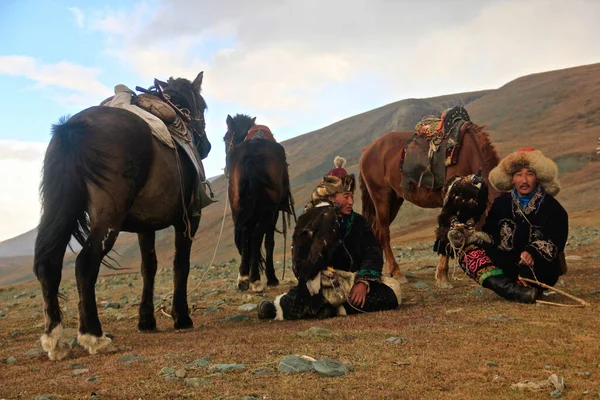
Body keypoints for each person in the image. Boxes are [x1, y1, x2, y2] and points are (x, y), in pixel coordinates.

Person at [258, 174, 401, 320]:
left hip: (353, 280)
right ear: (331, 198)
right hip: (325, 283)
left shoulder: (359, 222)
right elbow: (302, 263)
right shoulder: (311, 220)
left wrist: (363, 281)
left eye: (352, 197)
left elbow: (373, 251)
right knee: (292, 306)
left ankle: (333, 308)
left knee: (392, 294)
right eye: (346, 197)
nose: (351, 202)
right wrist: (323, 277)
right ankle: (277, 307)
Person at [458, 148, 568, 303]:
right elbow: (490, 234)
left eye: (529, 174)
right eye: (518, 174)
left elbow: (556, 241)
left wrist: (532, 252)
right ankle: (514, 291)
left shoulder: (553, 207)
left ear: (538, 177)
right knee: (468, 253)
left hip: (536, 269)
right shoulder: (501, 203)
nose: (524, 180)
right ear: (511, 179)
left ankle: (516, 289)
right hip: (506, 264)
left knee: (534, 272)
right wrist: (472, 237)